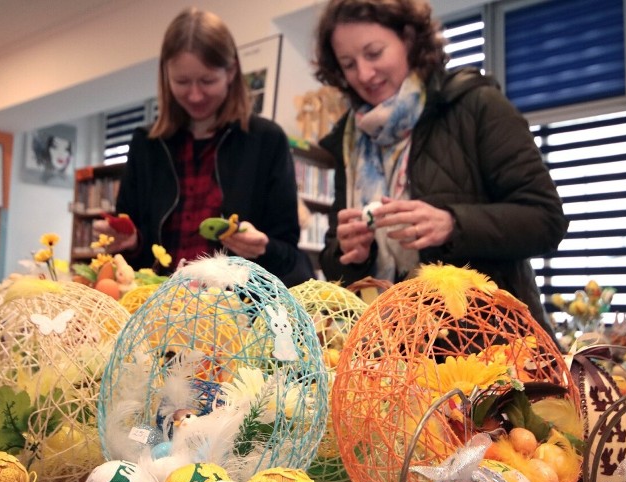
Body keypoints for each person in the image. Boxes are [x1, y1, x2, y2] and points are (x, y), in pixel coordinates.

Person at [313, 0, 569, 333]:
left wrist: (451, 224)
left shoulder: (477, 105)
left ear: (408, 39)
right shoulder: (348, 139)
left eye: (374, 53)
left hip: (493, 351)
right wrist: (351, 252)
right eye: (348, 63)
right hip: (387, 352)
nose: (363, 74)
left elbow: (547, 221)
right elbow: (336, 264)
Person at [93, 7, 311, 286]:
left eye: (207, 81)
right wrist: (131, 243)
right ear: (165, 76)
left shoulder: (267, 140)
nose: (195, 95)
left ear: (231, 72)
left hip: (237, 316)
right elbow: (133, 259)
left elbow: (289, 255)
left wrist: (263, 248)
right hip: (157, 309)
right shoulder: (146, 145)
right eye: (181, 82)